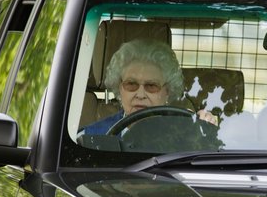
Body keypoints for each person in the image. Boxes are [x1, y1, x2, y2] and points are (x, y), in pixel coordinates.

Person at [80, 38, 217, 135]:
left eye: (151, 86)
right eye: (131, 84)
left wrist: (207, 132)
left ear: (167, 91)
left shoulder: (186, 134)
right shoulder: (90, 137)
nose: (140, 94)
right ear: (120, 88)